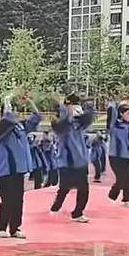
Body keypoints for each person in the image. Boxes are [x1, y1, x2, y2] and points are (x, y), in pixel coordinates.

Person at [0, 93, 42, 238]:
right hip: (6, 169)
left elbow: (37, 117)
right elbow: (8, 119)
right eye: (10, 109)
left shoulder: (20, 126)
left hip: (20, 168)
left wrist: (29, 101)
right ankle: (1, 227)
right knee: (7, 200)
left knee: (18, 199)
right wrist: (7, 102)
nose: (14, 112)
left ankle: (15, 228)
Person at [49, 94, 96, 222]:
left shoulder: (77, 123)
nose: (74, 108)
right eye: (71, 105)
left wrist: (88, 105)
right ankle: (55, 207)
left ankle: (77, 213)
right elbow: (62, 123)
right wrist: (65, 111)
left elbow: (89, 117)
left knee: (84, 189)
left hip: (80, 161)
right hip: (66, 162)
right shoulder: (59, 123)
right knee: (64, 188)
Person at [106, 101, 129, 207]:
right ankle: (113, 193)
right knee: (121, 178)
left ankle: (127, 199)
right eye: (127, 113)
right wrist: (116, 104)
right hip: (116, 156)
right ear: (121, 114)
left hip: (127, 157)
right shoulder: (115, 126)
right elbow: (112, 112)